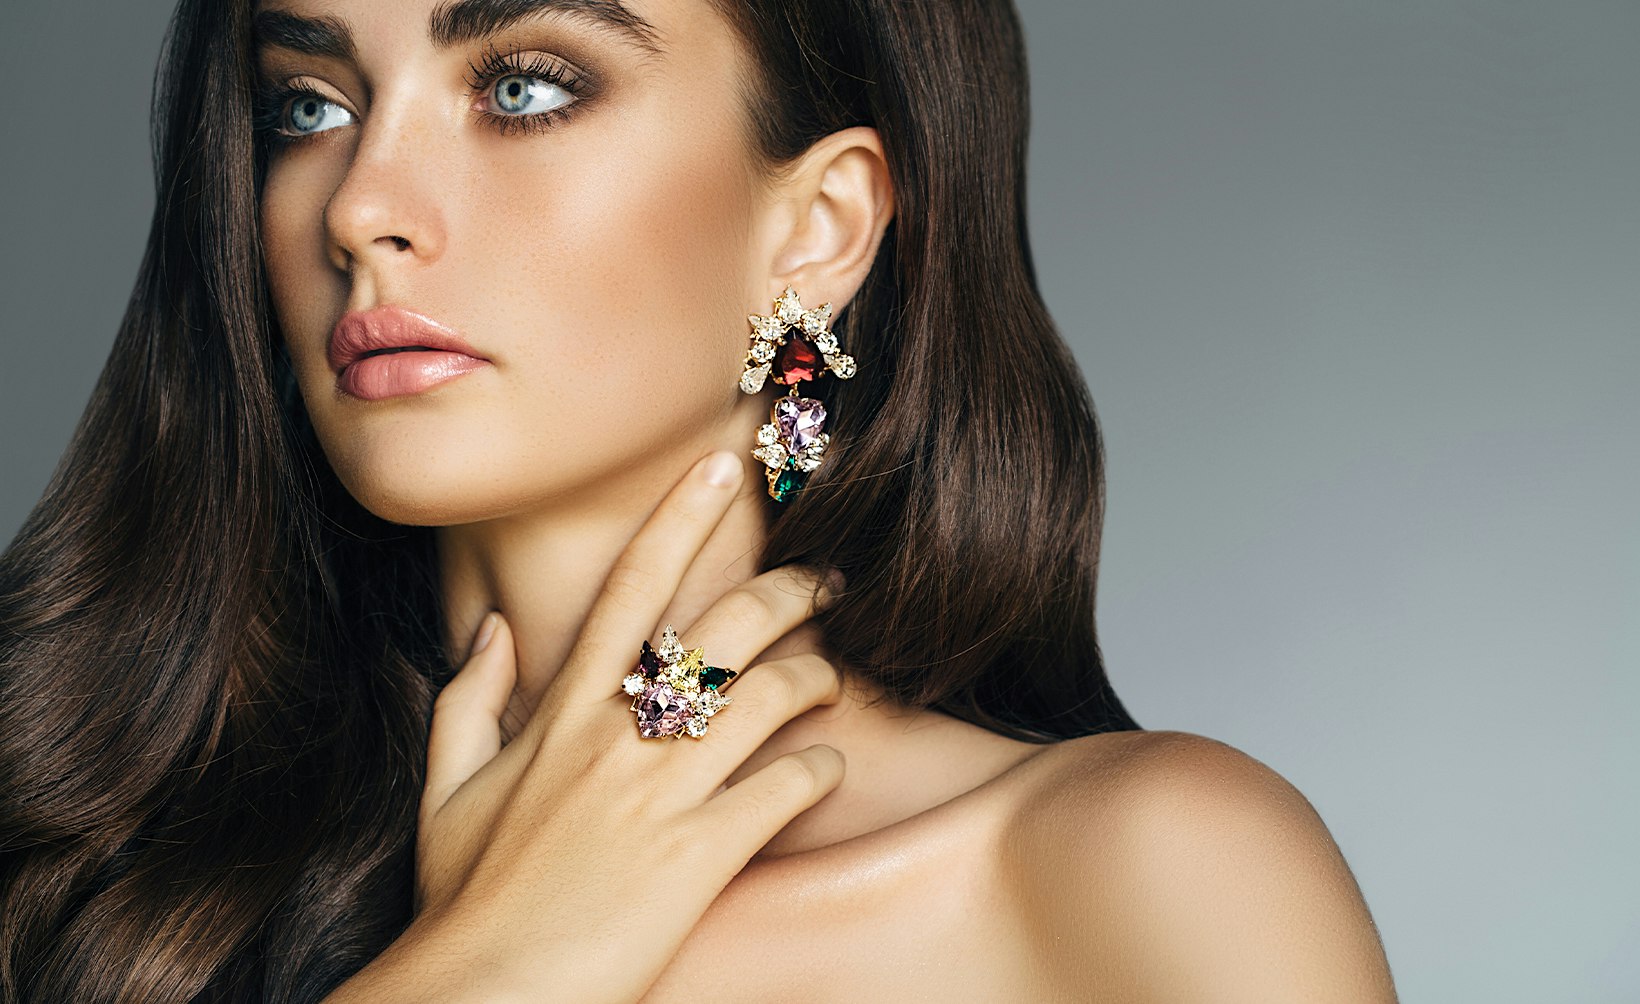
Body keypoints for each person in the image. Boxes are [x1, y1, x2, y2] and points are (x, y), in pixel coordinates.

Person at [0, 0, 1399, 999]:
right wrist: (495, 967)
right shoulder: (91, 863)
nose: (360, 205)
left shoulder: (1143, 876)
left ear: (818, 226)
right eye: (307, 104)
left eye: (523, 84)